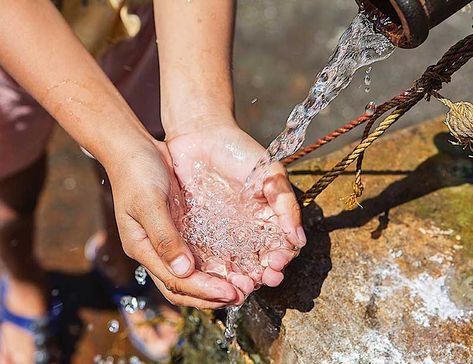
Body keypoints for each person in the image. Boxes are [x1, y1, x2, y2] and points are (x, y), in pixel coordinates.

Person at [0, 0, 305, 362]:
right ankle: (22, 281)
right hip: (12, 36)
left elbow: (140, 152)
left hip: (130, 14)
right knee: (10, 173)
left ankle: (119, 259)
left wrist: (201, 117)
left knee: (143, 158)